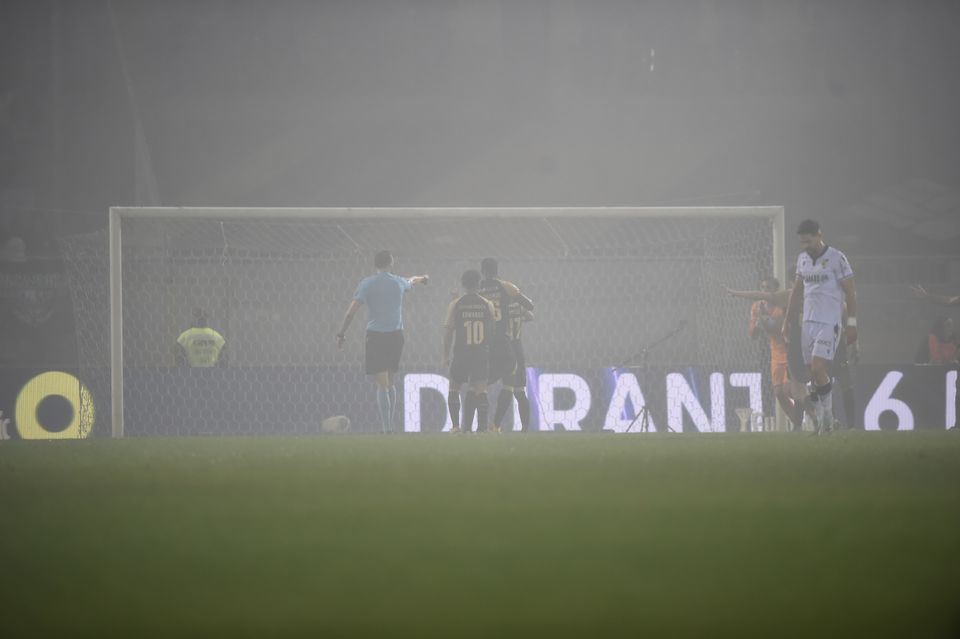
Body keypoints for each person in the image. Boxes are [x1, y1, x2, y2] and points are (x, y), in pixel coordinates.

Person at [336, 250, 429, 433]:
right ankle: (390, 425)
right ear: (391, 262)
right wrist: (424, 277)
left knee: (381, 383)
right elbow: (411, 280)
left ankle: (387, 428)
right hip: (396, 336)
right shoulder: (398, 281)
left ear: (375, 264)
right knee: (391, 381)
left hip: (376, 336)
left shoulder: (367, 283)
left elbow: (351, 311)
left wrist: (341, 333)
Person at [782, 219, 858, 435]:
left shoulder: (837, 258)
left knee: (817, 367)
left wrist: (851, 323)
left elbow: (851, 293)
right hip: (807, 323)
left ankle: (827, 420)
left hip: (830, 322)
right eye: (802, 242)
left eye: (808, 241)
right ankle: (826, 423)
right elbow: (796, 292)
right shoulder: (802, 260)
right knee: (813, 375)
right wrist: (787, 321)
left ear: (818, 235)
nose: (805, 245)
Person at [725, 277, 804, 430]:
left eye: (768, 287)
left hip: (790, 350)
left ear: (775, 290)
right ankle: (798, 423)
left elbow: (778, 327)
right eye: (762, 287)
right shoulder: (757, 306)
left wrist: (764, 319)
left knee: (790, 390)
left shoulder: (782, 304)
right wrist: (757, 326)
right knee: (779, 393)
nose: (765, 290)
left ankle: (813, 413)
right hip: (775, 353)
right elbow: (753, 334)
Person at [479, 258, 534, 433]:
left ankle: (493, 425)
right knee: (515, 389)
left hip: (490, 343)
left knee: (513, 389)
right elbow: (530, 310)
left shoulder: (479, 290)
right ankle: (500, 426)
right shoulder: (509, 294)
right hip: (512, 346)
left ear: (482, 271)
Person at [442, 269, 496, 433]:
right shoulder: (487, 304)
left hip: (461, 352)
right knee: (481, 390)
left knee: (454, 388)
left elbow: (448, 331)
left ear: (463, 284)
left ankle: (456, 427)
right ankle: (482, 428)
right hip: (480, 353)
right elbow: (492, 330)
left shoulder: (456, 304)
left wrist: (445, 355)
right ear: (478, 284)